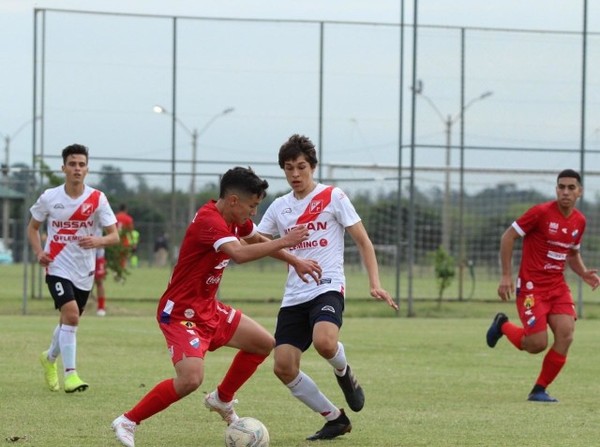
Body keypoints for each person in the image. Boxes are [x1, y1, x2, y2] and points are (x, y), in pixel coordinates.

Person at [111, 166, 322, 447]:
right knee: (190, 379)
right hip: (179, 313)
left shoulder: (235, 218)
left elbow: (256, 239)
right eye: (252, 206)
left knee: (262, 343)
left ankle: (222, 399)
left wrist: (294, 260)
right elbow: (239, 253)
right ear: (233, 200)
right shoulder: (210, 221)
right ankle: (128, 420)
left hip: (208, 307)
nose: (254, 213)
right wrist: (285, 241)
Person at [257, 134, 398, 441]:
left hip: (327, 285)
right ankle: (335, 418)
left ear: (313, 167)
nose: (295, 174)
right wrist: (288, 252)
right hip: (294, 295)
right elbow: (254, 240)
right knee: (283, 366)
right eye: (289, 168)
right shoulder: (279, 207)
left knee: (324, 342)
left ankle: (344, 371)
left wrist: (375, 283)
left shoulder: (333, 197)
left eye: (301, 167)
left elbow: (363, 241)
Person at [487, 169, 600, 402]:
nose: (565, 192)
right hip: (531, 287)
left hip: (557, 287)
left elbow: (571, 254)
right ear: (556, 189)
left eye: (571, 187)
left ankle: (539, 389)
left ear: (580, 192)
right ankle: (503, 325)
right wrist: (506, 275)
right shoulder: (540, 213)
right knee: (537, 344)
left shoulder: (580, 221)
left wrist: (584, 273)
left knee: (566, 335)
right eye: (561, 187)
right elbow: (508, 237)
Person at [28, 144, 119, 393]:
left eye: (81, 164)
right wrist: (39, 252)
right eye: (72, 164)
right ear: (64, 168)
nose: (76, 168)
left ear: (87, 169)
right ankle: (71, 375)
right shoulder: (50, 197)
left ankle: (48, 359)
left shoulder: (97, 199)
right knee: (71, 315)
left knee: (69, 320)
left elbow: (114, 236)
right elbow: (32, 227)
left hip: (84, 270)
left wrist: (97, 241)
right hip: (57, 266)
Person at [115, 203, 134, 269]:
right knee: (123, 258)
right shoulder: (128, 218)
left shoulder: (115, 217)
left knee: (116, 257)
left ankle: (116, 271)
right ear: (125, 209)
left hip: (115, 240)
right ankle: (120, 271)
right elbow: (130, 231)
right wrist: (133, 242)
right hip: (124, 241)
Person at [94, 230, 108, 316]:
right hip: (82, 253)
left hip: (98, 254)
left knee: (99, 280)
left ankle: (101, 307)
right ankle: (79, 306)